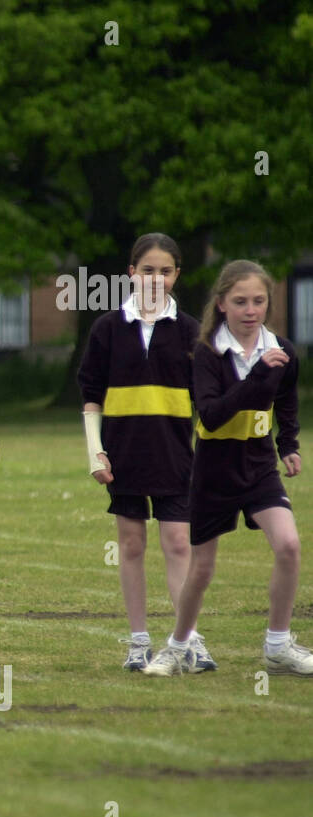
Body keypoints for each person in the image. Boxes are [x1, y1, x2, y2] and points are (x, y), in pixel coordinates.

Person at [143, 260, 310, 676]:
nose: (251, 309)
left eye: (258, 301)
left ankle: (278, 646)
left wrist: (287, 444)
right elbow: (214, 414)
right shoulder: (207, 353)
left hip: (258, 469)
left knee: (289, 545)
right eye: (240, 302)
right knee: (202, 569)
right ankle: (179, 645)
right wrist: (255, 376)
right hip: (214, 473)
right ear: (221, 305)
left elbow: (286, 401)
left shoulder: (282, 352)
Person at [76, 233, 215, 671]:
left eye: (166, 271)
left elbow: (207, 403)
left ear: (177, 275)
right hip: (124, 457)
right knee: (131, 544)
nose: (156, 279)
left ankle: (186, 639)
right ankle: (138, 642)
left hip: (176, 458)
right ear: (132, 272)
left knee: (178, 542)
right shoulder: (107, 329)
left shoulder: (194, 332)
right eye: (148, 270)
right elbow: (91, 396)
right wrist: (95, 452)